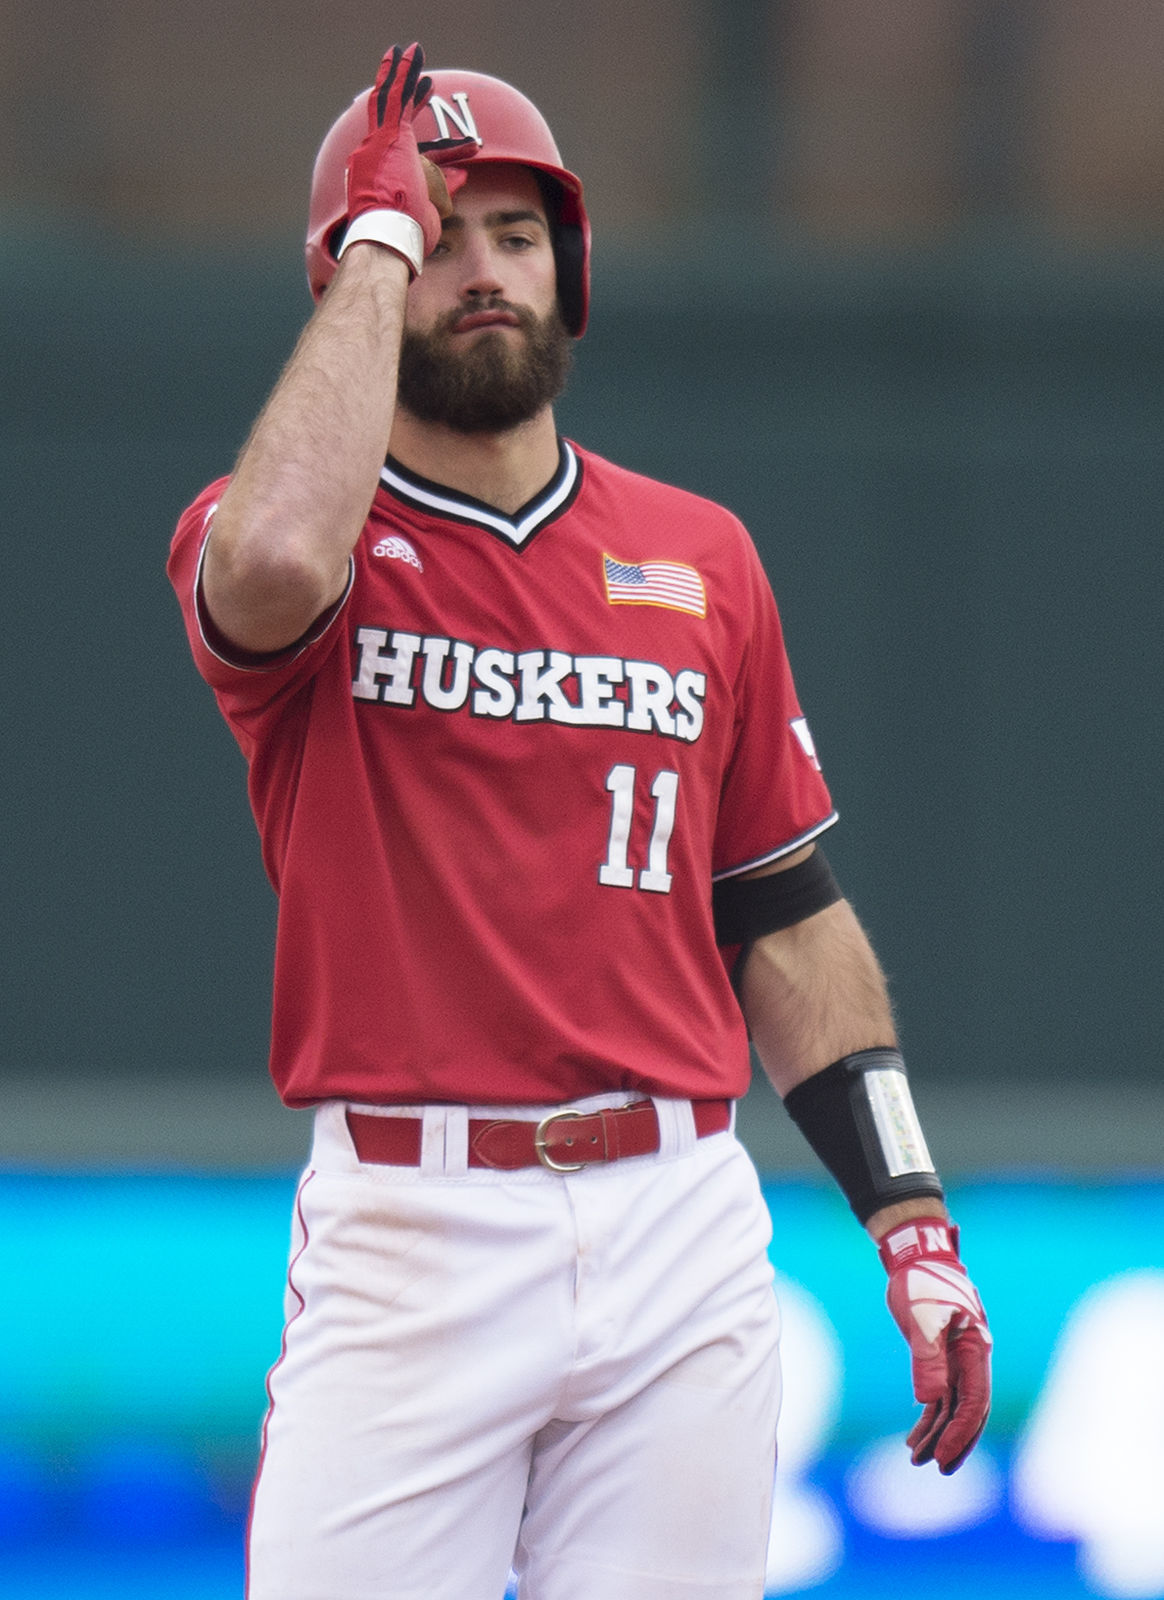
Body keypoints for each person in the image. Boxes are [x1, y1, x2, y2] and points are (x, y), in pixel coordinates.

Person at [168, 43, 991, 1600]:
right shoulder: (283, 529)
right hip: (415, 1228)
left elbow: (785, 912)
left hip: (677, 1216)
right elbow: (272, 557)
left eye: (517, 232)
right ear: (355, 274)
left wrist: (912, 1221)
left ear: (573, 267)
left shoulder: (702, 558)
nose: (480, 269)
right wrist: (374, 241)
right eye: (435, 232)